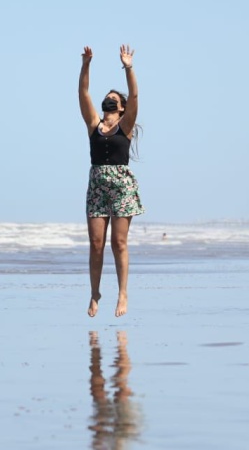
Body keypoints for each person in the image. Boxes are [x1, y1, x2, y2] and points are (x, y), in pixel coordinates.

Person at [79, 45, 145, 318]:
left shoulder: (125, 126)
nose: (106, 104)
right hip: (97, 185)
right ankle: (95, 293)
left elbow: (136, 96)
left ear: (121, 108)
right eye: (105, 100)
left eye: (111, 101)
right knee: (96, 243)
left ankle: (123, 293)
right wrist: (86, 65)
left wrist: (128, 67)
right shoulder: (94, 124)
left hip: (121, 186)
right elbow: (83, 94)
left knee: (119, 243)